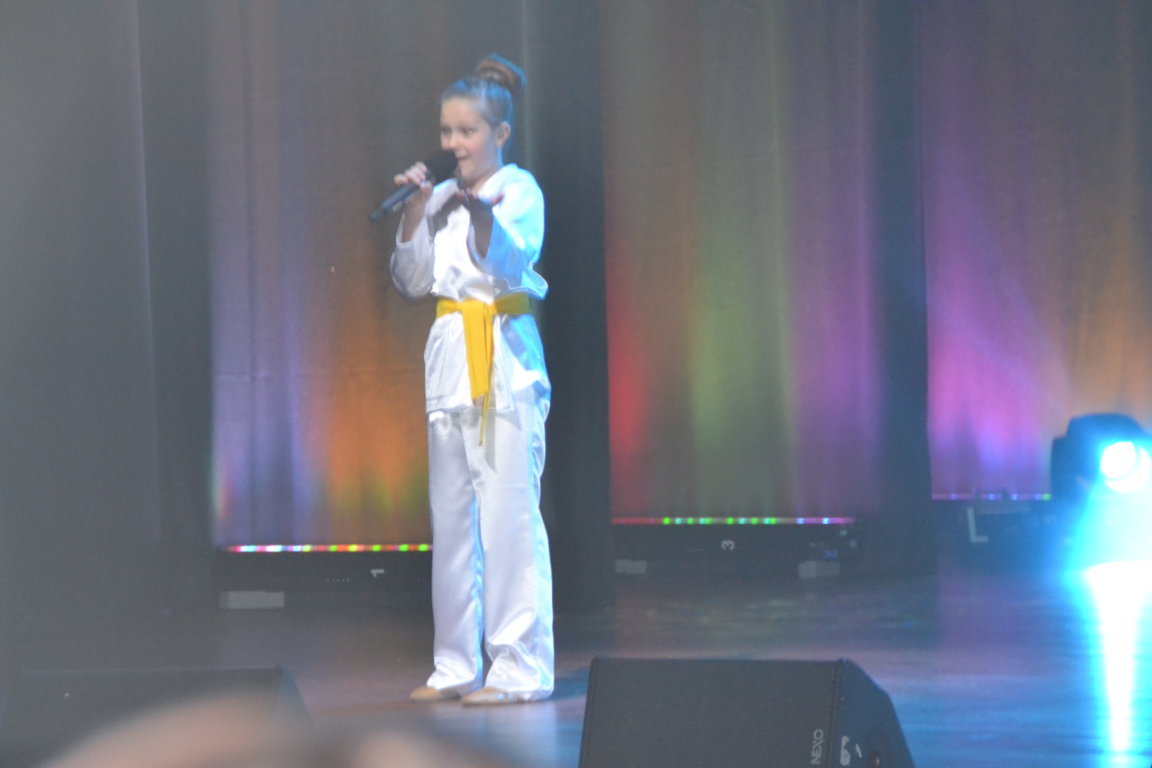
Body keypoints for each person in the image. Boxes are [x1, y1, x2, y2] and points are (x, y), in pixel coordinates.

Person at [389, 54, 553, 706]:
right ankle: (455, 664)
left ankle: (519, 667)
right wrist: (414, 210)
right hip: (451, 362)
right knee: (453, 523)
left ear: (500, 133)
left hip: (504, 363)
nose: (454, 143)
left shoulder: (518, 189)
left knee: (507, 519)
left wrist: (481, 214)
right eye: (447, 131)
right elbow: (412, 280)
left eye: (468, 131)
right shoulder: (439, 198)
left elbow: (511, 262)